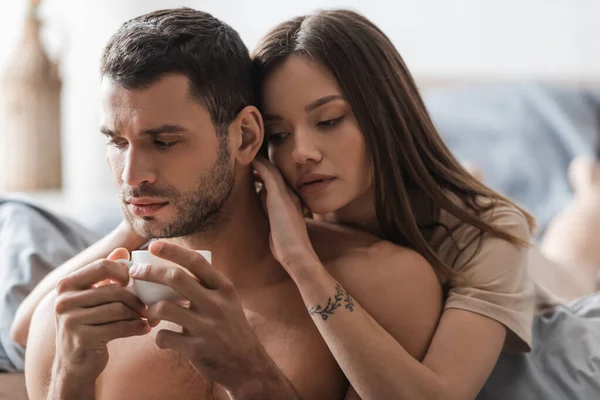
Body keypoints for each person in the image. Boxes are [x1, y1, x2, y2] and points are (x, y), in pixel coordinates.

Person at [18, 8, 442, 400]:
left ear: (245, 136)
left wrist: (252, 375)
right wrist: (68, 381)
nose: (131, 177)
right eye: (116, 142)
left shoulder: (383, 285)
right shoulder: (67, 321)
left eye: (165, 142)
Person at [251, 9, 538, 399]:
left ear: (384, 112)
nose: (301, 153)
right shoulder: (276, 205)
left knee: (578, 247)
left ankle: (588, 189)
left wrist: (303, 264)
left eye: (329, 120)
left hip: (543, 286)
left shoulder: (487, 233)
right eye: (279, 134)